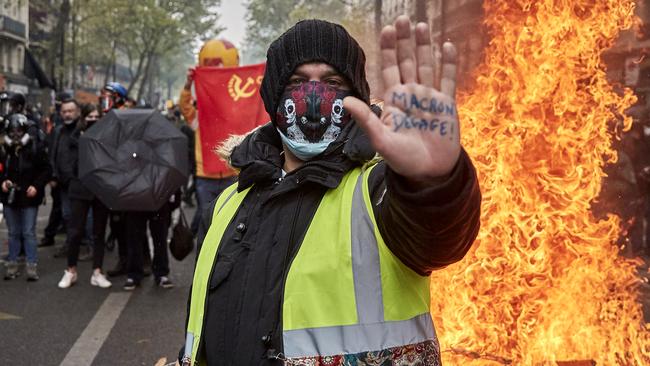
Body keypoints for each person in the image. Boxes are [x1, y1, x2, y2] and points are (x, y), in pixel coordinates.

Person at [180, 17, 481, 365]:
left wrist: (434, 182)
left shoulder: (378, 192)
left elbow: (437, 233)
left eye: (332, 81)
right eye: (297, 80)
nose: (313, 95)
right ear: (274, 97)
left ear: (356, 98)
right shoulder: (226, 205)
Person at [178, 38, 239, 234]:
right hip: (205, 177)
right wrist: (188, 84)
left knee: (228, 225)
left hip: (231, 174)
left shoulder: (235, 115)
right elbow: (185, 106)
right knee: (207, 224)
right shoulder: (198, 119)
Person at [57, 103, 112, 288]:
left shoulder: (105, 137)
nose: (93, 120)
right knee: (75, 232)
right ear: (83, 118)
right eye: (90, 117)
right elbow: (68, 163)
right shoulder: (74, 137)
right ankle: (70, 270)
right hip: (80, 189)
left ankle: (97, 271)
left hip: (99, 190)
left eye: (97, 117)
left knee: (98, 232)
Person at [2, 114, 51, 280]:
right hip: (10, 197)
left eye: (19, 131)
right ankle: (13, 264)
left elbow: (46, 170)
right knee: (13, 232)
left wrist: (36, 186)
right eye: (12, 131)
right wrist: (3, 182)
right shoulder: (4, 150)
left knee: (29, 232)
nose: (15, 135)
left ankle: (32, 265)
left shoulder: (34, 148)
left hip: (29, 197)